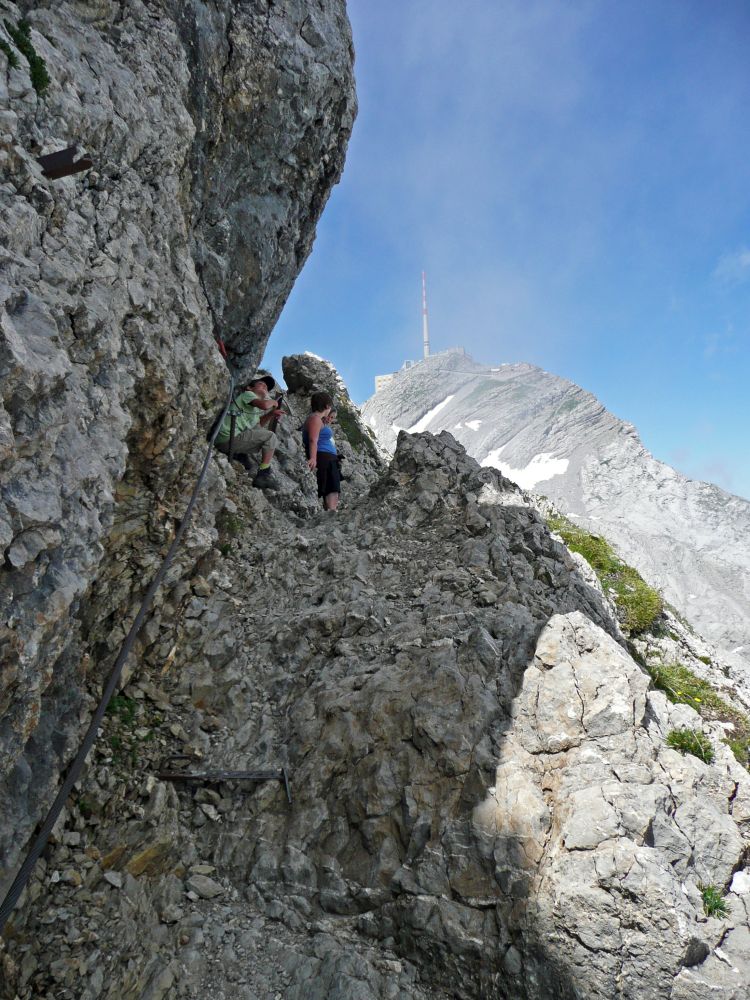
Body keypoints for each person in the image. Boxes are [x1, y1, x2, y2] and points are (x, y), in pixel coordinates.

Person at [215, 374, 283, 489]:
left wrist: (271, 414)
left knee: (261, 435)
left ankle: (239, 455)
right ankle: (264, 473)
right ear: (250, 387)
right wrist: (272, 402)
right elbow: (265, 405)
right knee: (270, 436)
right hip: (228, 438)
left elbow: (258, 425)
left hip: (228, 440)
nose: (264, 388)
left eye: (266, 388)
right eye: (261, 384)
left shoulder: (255, 408)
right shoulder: (247, 395)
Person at [303, 392, 340, 512]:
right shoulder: (315, 418)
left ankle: (331, 510)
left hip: (327, 457)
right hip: (324, 457)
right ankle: (332, 512)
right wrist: (313, 458)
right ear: (327, 405)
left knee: (332, 486)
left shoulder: (317, 419)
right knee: (331, 487)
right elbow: (313, 440)